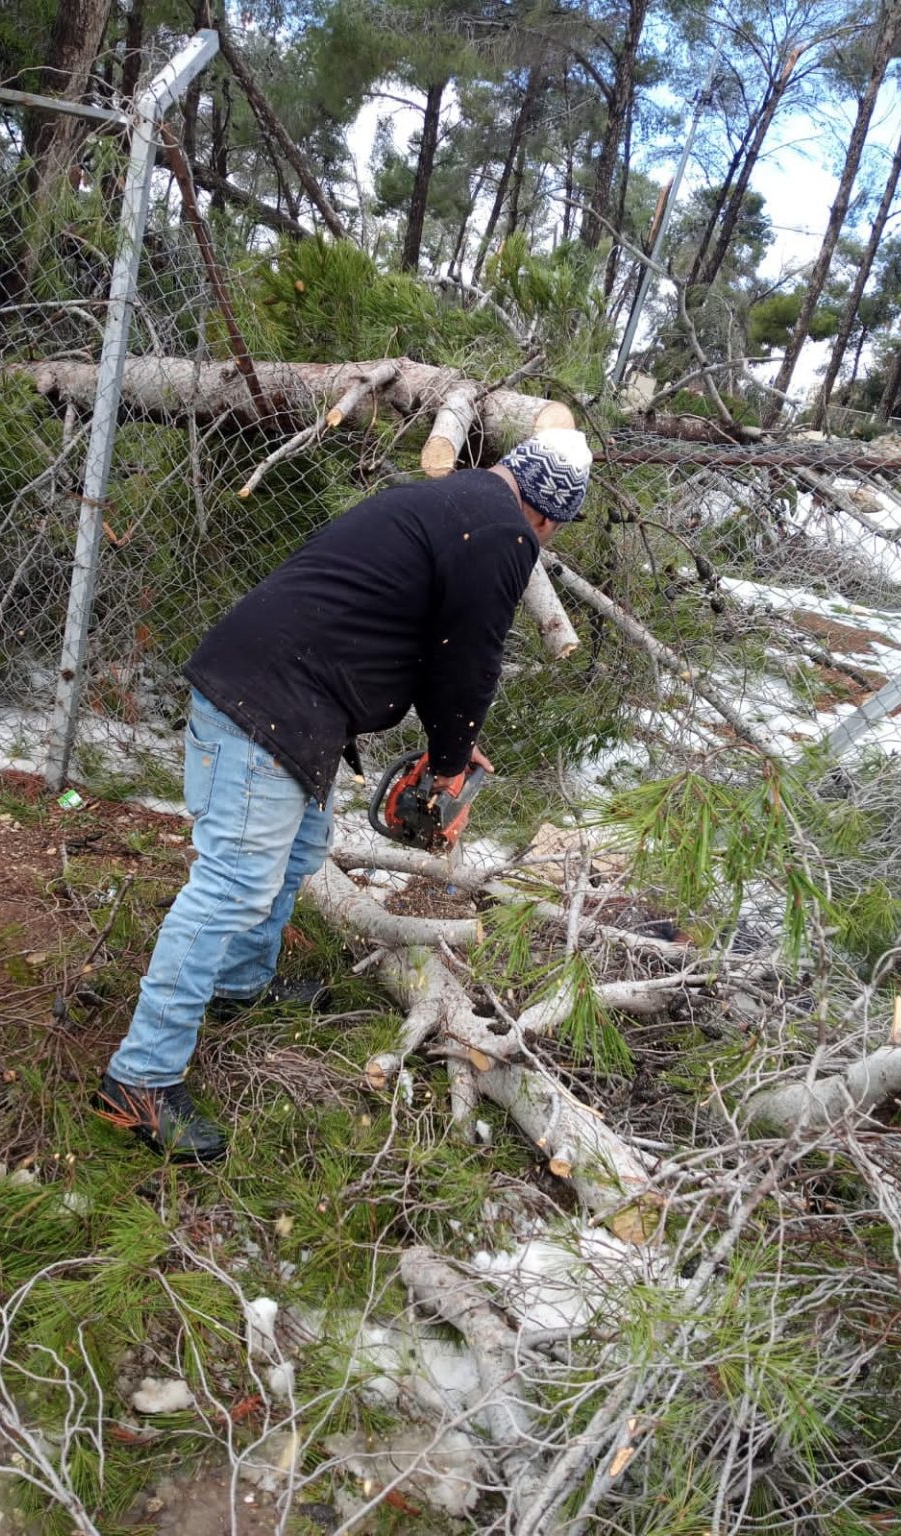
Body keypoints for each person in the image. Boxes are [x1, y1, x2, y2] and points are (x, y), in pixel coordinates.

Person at [95, 427, 593, 1159]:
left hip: (291, 695)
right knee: (232, 887)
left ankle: (238, 983)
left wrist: (451, 749)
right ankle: (139, 1078)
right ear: (547, 516)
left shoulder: (453, 501)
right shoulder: (503, 534)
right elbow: (468, 662)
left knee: (300, 852)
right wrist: (449, 763)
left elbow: (429, 642)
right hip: (268, 699)